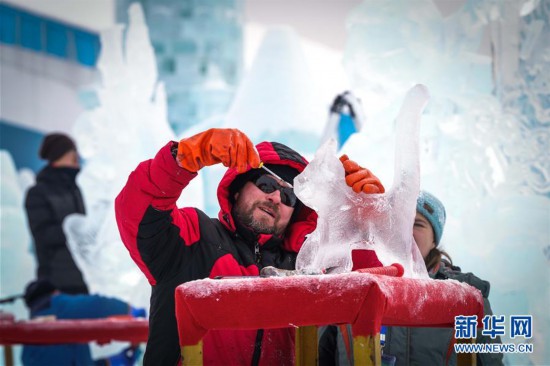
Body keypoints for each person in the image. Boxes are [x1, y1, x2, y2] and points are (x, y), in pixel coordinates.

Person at [115, 128, 384, 365]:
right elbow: (137, 212)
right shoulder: (194, 236)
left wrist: (360, 221)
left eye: (290, 195)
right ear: (236, 189)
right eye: (265, 183)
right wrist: (182, 159)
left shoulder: (308, 263)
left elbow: (367, 291)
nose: (276, 197)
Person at [318, 191, 504, 366]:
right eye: (398, 223)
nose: (406, 231)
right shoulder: (350, 286)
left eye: (417, 224)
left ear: (434, 241)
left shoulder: (467, 293)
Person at [21, 279, 143, 366]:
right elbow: (97, 305)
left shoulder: (28, 349)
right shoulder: (56, 306)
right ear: (54, 293)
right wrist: (129, 310)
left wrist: (114, 361)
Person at [24, 133, 88, 294]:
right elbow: (44, 235)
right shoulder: (38, 192)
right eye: (73, 151)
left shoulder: (75, 189)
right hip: (56, 284)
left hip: (82, 278)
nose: (77, 156)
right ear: (62, 154)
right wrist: (76, 229)